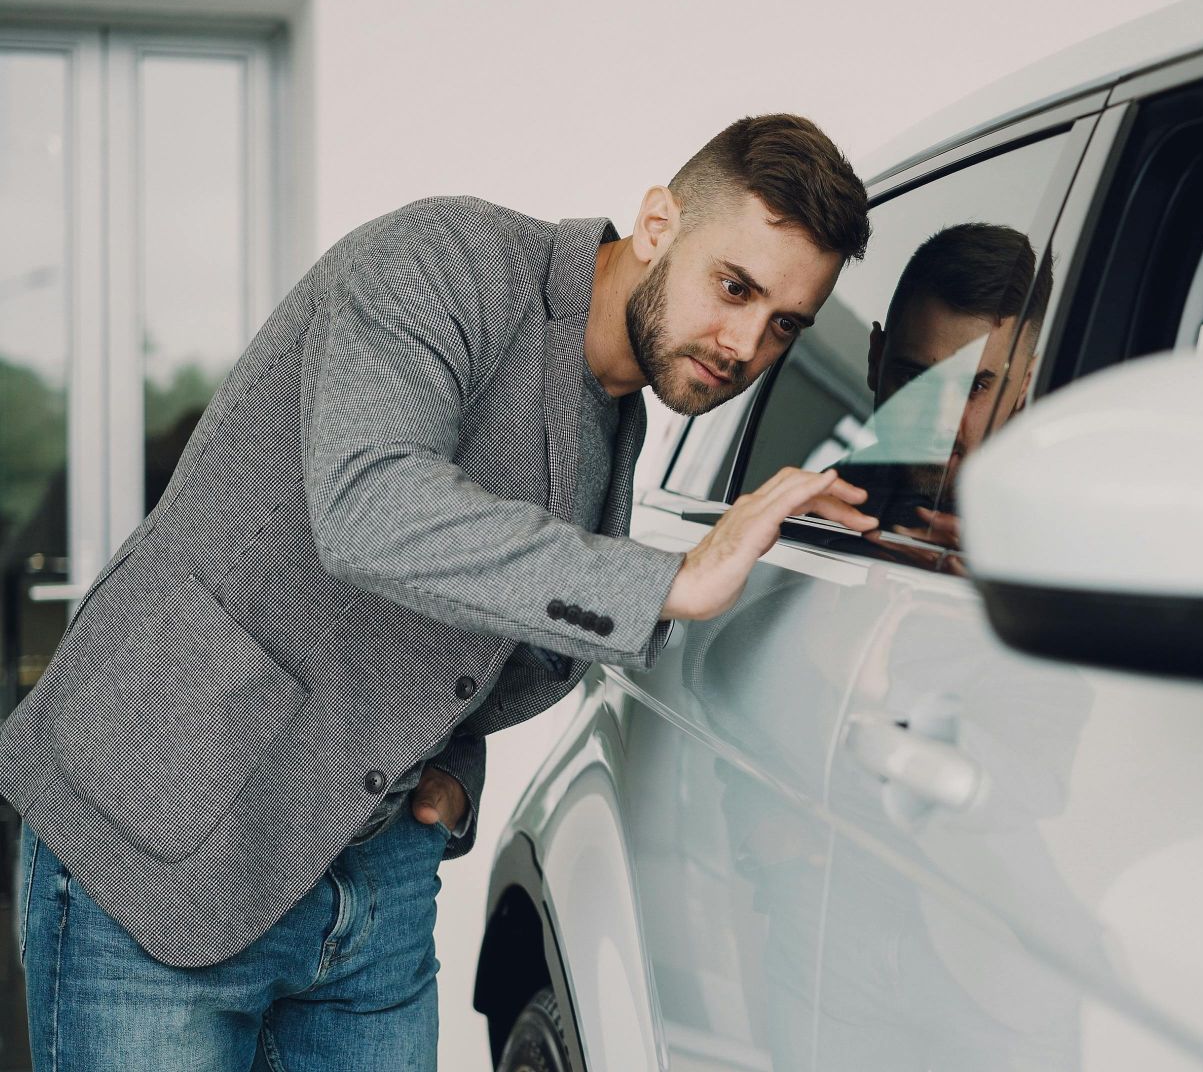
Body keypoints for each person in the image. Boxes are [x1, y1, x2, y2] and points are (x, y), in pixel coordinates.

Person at [0, 113, 876, 1071]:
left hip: (373, 882)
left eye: (784, 323)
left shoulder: (616, 413)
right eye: (734, 286)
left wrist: (456, 759)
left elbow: (471, 611)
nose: (747, 343)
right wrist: (669, 580)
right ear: (659, 223)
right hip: (163, 818)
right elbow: (372, 505)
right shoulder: (446, 257)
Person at [840, 221, 1052, 567]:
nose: (940, 422)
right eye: (915, 378)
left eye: (975, 387)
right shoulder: (814, 509)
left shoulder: (1062, 545)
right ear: (876, 360)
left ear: (1026, 383)